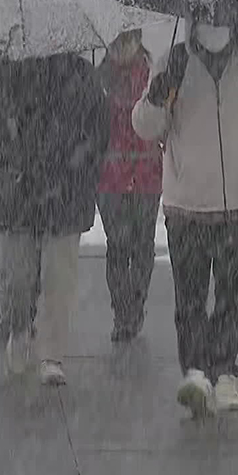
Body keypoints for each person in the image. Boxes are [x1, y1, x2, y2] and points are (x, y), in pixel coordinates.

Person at [133, 22, 238, 418]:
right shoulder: (173, 62)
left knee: (231, 296)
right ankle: (195, 372)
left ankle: (224, 374)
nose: (212, 21)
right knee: (188, 299)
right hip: (185, 205)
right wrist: (156, 98)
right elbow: (147, 128)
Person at [0, 42, 109, 386]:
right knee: (15, 278)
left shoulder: (80, 76)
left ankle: (52, 354)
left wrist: (81, 161)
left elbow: (100, 130)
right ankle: (19, 327)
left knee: (59, 279)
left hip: (65, 192)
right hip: (15, 193)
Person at [96, 29, 163, 342]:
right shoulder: (99, 81)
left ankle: (135, 306)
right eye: (116, 43)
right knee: (118, 247)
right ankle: (122, 312)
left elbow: (163, 122)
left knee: (143, 247)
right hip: (111, 177)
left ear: (139, 42)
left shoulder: (154, 79)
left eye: (128, 41)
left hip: (147, 175)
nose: (121, 48)